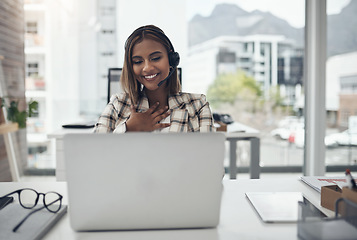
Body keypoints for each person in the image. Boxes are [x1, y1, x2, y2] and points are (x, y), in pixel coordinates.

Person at [94, 25, 215, 133]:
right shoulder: (118, 104)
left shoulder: (197, 105)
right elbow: (95, 151)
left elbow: (209, 153)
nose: (147, 68)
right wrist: (129, 128)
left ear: (171, 59)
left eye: (156, 58)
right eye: (138, 61)